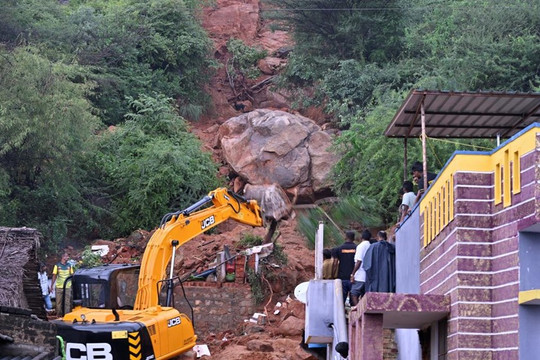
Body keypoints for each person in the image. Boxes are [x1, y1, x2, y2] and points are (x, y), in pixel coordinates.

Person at [333, 231, 357, 303]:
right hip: (354, 278)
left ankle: (342, 313)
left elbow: (335, 263)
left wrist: (333, 275)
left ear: (345, 237)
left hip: (342, 278)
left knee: (341, 300)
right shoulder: (357, 248)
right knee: (354, 299)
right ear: (354, 238)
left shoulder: (338, 249)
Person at [349, 230, 372, 306]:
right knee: (364, 295)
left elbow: (359, 261)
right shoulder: (371, 246)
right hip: (369, 276)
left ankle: (358, 310)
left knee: (354, 293)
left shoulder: (360, 246)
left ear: (361, 237)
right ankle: (363, 310)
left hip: (360, 275)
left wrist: (353, 274)